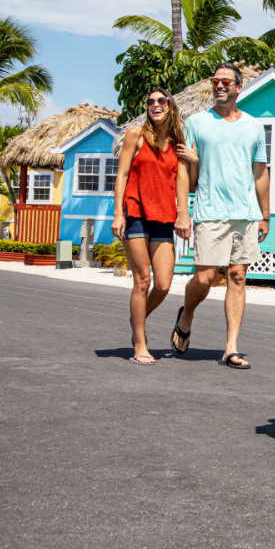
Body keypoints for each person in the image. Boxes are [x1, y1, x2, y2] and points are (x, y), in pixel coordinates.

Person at [169, 63, 270, 370]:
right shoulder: (196, 123)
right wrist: (183, 212)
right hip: (209, 211)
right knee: (205, 277)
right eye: (215, 81)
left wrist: (265, 214)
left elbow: (260, 173)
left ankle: (231, 348)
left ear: (239, 87)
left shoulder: (254, 126)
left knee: (237, 276)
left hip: (245, 214)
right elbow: (184, 171)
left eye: (227, 81)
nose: (220, 85)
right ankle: (186, 315)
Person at [112, 88, 192, 365]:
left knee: (164, 284)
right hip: (135, 213)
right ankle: (140, 343)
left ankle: (137, 318)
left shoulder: (177, 141)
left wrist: (183, 213)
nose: (155, 105)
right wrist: (117, 214)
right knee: (142, 280)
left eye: (161, 101)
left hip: (163, 216)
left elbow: (186, 181)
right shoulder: (135, 135)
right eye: (150, 101)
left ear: (171, 107)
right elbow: (121, 174)